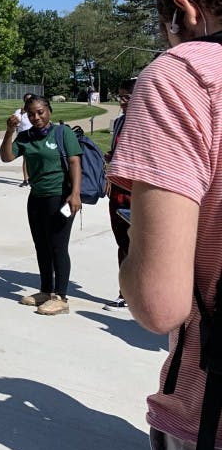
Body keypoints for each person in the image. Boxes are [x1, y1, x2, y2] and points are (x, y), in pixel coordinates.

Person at [109, 0, 222, 450]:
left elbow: (159, 305)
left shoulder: (183, 76)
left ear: (185, 10)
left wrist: (132, 258)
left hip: (210, 415)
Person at [0, 96, 82, 316]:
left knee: (58, 247)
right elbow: (6, 157)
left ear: (49, 111)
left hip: (60, 197)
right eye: (31, 114)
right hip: (36, 198)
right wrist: (9, 131)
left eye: (40, 112)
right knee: (41, 247)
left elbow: (75, 162)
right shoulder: (25, 137)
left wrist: (75, 194)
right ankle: (46, 291)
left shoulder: (63, 133)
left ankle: (61, 297)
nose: (36, 117)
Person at [102, 78, 135, 311]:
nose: (122, 102)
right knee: (123, 242)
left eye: (127, 98)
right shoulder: (120, 122)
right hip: (118, 191)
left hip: (139, 193)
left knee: (143, 244)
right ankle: (125, 294)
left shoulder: (150, 123)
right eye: (120, 97)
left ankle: (142, 294)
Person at [11, 93, 36, 187]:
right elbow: (14, 122)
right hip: (25, 139)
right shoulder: (19, 111)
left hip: (36, 137)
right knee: (26, 159)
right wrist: (21, 114)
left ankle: (35, 177)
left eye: (31, 99)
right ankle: (26, 180)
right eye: (27, 100)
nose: (29, 101)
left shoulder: (35, 110)